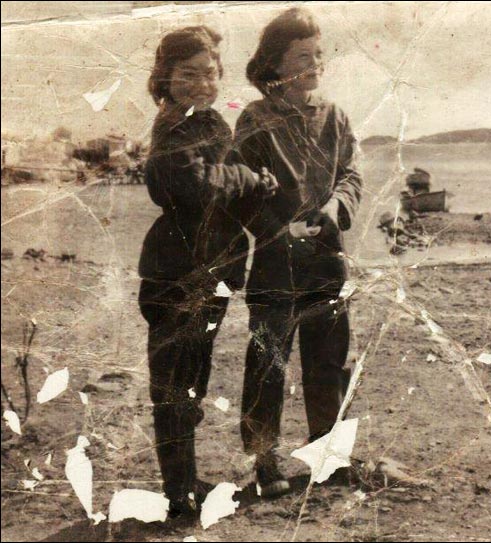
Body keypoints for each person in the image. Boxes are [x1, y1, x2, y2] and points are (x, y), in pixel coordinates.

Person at [138, 26, 282, 519]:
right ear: (165, 78)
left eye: (210, 73)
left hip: (211, 268)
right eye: (187, 74)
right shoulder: (173, 127)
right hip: (177, 271)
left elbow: (219, 183)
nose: (201, 83)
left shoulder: (211, 123)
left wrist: (254, 183)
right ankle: (178, 492)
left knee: (190, 381)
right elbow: (196, 185)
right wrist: (248, 178)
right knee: (175, 383)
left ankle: (183, 481)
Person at [231, 7, 363, 497]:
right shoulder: (254, 120)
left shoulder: (336, 116)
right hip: (275, 261)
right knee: (269, 362)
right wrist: (278, 231)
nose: (314, 64)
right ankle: (264, 461)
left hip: (328, 257)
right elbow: (240, 194)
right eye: (302, 56)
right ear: (276, 64)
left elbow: (351, 173)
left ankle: (329, 452)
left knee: (329, 359)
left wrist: (335, 205)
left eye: (319, 55)